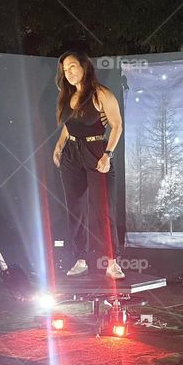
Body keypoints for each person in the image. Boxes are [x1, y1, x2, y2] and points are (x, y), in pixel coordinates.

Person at [52, 50, 125, 280]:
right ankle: (80, 259)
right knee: (75, 209)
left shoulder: (101, 93)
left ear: (84, 66)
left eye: (72, 66)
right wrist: (59, 145)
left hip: (96, 152)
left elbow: (117, 125)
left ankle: (111, 262)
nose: (69, 72)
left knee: (102, 210)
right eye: (65, 69)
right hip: (71, 155)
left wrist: (107, 155)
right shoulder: (68, 95)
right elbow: (70, 124)